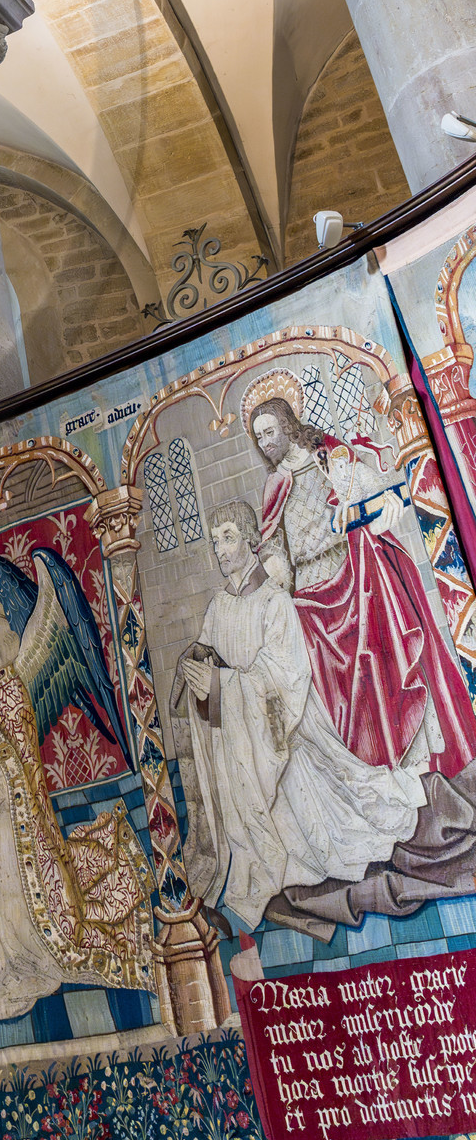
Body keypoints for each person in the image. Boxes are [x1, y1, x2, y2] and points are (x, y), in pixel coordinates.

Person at [179, 502, 422, 930]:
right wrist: (197, 667)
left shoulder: (274, 602)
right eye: (215, 541)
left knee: (323, 831)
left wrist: (221, 686)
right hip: (241, 733)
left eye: (229, 537)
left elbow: (284, 679)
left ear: (252, 540)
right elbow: (208, 652)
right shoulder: (218, 606)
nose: (220, 549)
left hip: (283, 731)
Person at [0, 603, 150, 1021]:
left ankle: (16, 969)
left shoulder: (9, 688)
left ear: (0, 636)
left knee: (3, 897)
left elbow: (25, 760)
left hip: (1, 805)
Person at [248, 380, 476, 780]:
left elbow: (379, 492)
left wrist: (385, 502)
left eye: (270, 432)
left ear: (287, 425)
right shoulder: (273, 485)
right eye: (258, 437)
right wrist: (273, 564)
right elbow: (272, 544)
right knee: (339, 703)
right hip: (309, 605)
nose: (265, 442)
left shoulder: (326, 455)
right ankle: (369, 787)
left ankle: (412, 775)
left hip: (354, 580)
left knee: (382, 681)